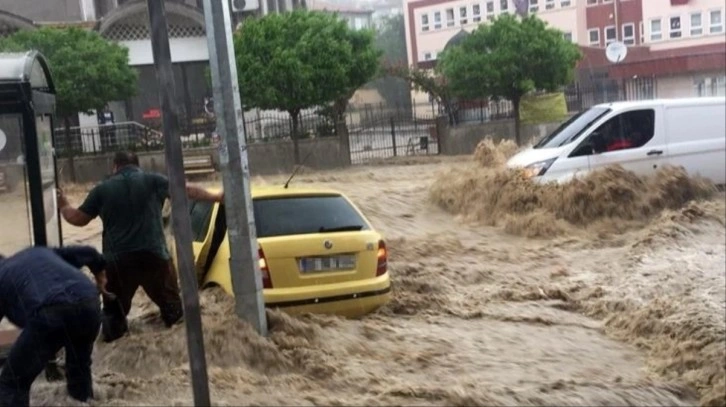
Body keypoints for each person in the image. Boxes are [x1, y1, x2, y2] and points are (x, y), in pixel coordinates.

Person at [56, 151, 224, 343]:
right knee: (175, 316)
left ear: (115, 167)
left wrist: (63, 203)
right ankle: (179, 350)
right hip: (155, 257)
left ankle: (115, 351)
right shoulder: (153, 181)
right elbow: (186, 190)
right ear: (137, 165)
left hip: (117, 263)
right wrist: (217, 196)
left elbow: (77, 219)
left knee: (113, 320)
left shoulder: (101, 189)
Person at [0, 245, 110, 407]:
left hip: (50, 313)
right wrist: (100, 277)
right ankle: (83, 400)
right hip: (88, 303)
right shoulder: (37, 253)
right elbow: (90, 253)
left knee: (12, 382)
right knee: (79, 371)